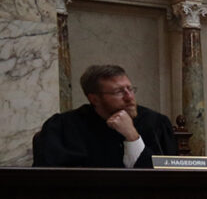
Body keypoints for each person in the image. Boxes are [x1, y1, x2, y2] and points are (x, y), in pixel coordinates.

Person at [33, 65, 177, 168]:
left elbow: (168, 176)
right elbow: (49, 177)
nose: (129, 97)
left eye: (130, 89)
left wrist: (132, 137)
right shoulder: (64, 127)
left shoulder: (156, 123)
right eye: (118, 92)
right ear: (94, 99)